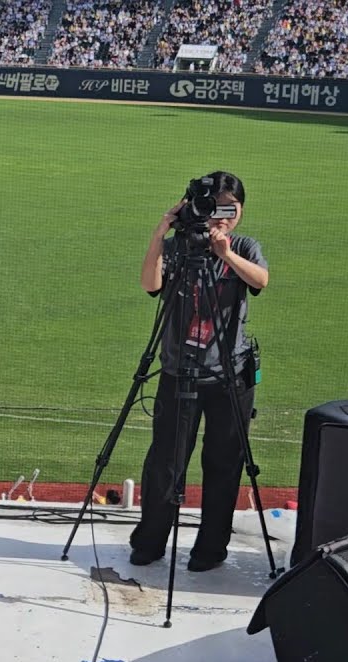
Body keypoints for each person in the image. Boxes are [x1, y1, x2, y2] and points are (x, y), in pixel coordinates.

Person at [130, 171, 270, 573]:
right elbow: (149, 285)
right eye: (215, 209)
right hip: (179, 371)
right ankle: (150, 542)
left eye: (231, 209)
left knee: (224, 464)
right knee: (165, 464)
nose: (222, 218)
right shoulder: (178, 248)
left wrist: (225, 253)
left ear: (242, 211)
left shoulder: (244, 246)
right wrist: (161, 233)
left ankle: (210, 550)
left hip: (231, 374)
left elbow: (261, 279)